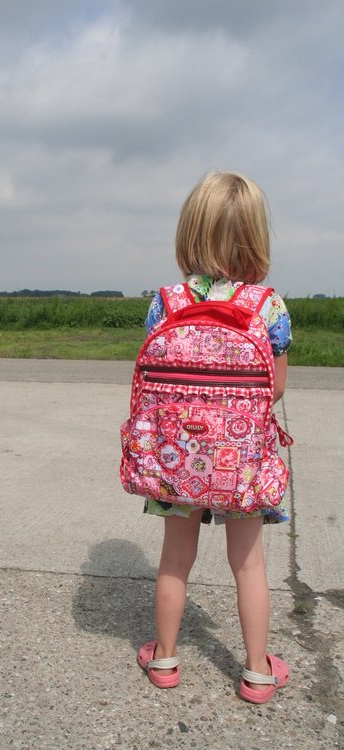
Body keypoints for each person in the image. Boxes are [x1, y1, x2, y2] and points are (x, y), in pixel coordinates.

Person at [137, 171, 292, 704]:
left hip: (176, 461)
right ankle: (256, 672)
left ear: (190, 232)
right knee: (248, 563)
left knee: (175, 559)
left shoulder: (166, 302)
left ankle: (164, 658)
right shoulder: (268, 307)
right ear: (255, 236)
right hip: (240, 462)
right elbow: (275, 390)